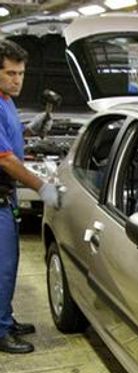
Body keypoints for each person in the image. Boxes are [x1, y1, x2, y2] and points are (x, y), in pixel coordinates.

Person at [0, 40, 61, 354]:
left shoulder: (6, 100)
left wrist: (31, 129)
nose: (17, 79)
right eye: (10, 73)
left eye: (21, 73)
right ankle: (0, 331)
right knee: (3, 266)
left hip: (5, 198)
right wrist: (41, 187)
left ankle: (5, 320)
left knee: (9, 264)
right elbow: (6, 159)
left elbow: (10, 136)